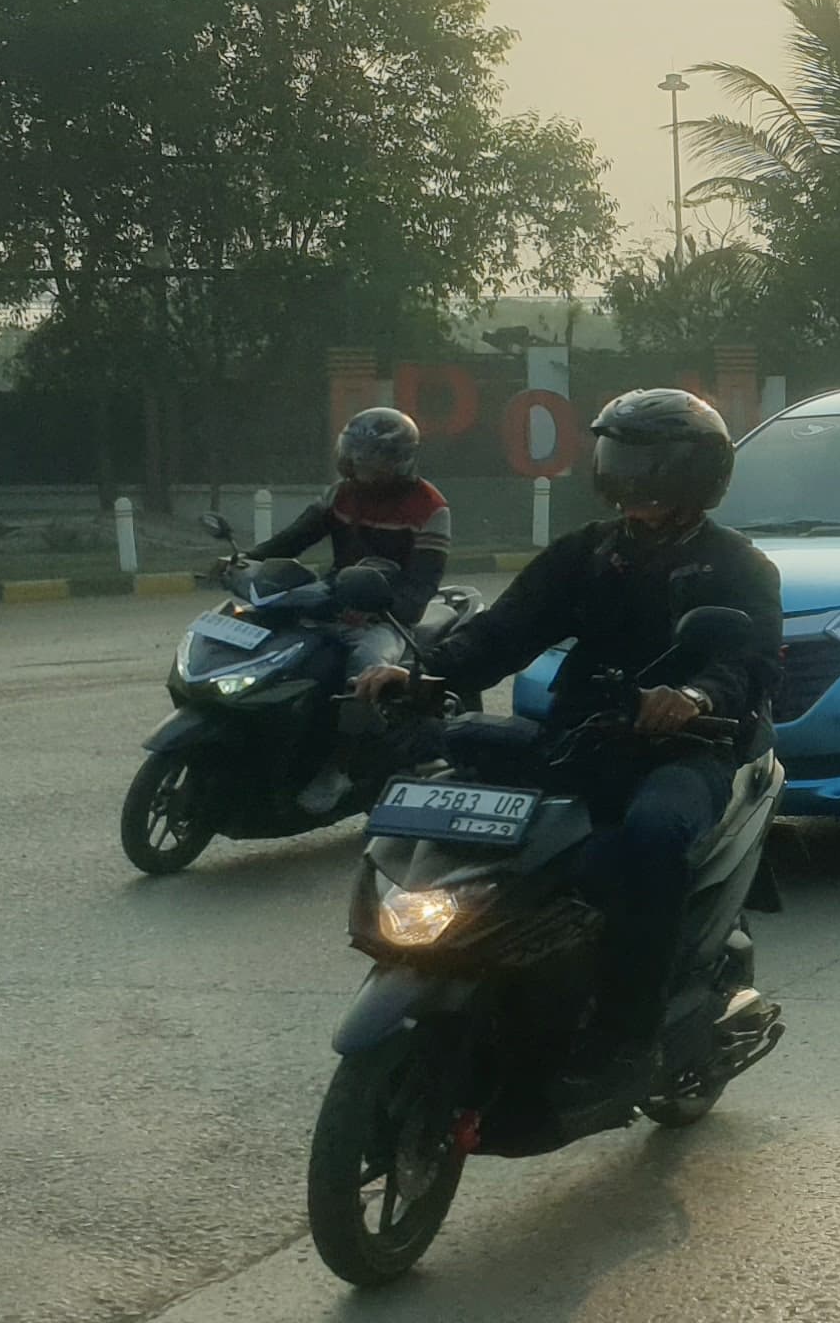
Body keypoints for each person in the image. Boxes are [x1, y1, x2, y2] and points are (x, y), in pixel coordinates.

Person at [357, 390, 781, 1104]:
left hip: (689, 750)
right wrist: (425, 674)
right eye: (623, 461)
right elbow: (506, 630)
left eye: (651, 466)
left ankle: (628, 1037)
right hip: (582, 732)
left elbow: (751, 663)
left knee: (650, 837)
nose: (632, 481)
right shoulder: (587, 553)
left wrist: (696, 697)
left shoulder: (738, 565)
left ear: (696, 474)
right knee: (463, 780)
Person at [250, 407, 451, 605]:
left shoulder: (429, 507)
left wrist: (380, 609)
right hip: (335, 594)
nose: (358, 460)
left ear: (400, 457)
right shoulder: (341, 493)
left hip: (387, 611)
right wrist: (248, 559)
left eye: (371, 454)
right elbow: (295, 537)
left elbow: (421, 584)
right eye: (354, 450)